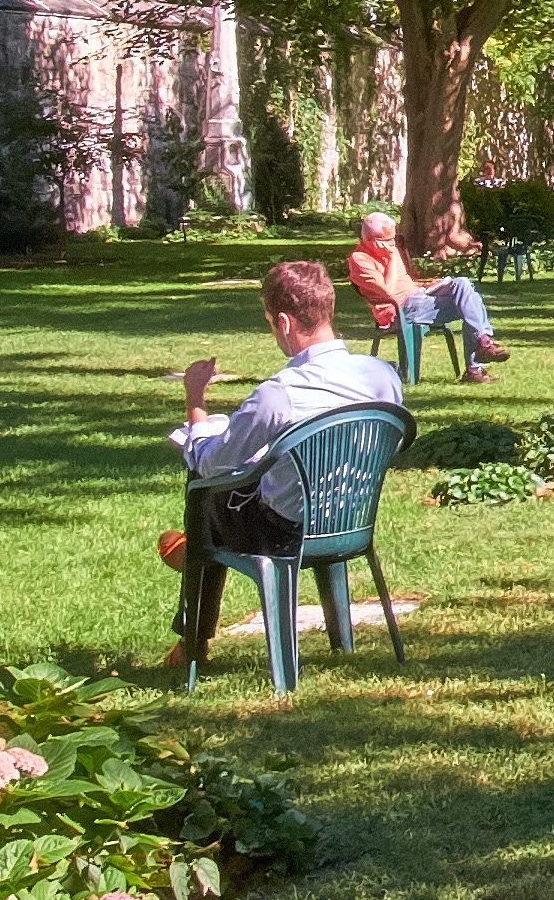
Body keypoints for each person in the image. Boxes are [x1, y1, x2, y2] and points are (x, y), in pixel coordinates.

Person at [154, 259, 404, 659]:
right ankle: (195, 554)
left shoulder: (280, 392)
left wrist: (195, 401)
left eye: (270, 323)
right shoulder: (382, 375)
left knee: (203, 493)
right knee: (230, 491)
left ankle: (193, 637)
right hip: (352, 520)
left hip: (283, 532)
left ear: (284, 323)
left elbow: (211, 463)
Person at [343, 209, 506, 384]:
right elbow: (388, 292)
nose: (392, 243)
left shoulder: (389, 248)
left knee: (463, 285)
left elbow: (405, 284)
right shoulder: (359, 260)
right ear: (370, 240)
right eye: (387, 240)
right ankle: (477, 361)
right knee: (471, 303)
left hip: (418, 298)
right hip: (400, 311)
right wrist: (390, 260)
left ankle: (482, 342)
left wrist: (427, 285)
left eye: (393, 239)